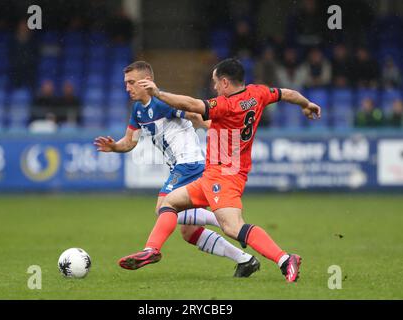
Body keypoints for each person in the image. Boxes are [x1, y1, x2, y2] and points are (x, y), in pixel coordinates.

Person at [119, 58, 321, 283]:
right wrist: (306, 103)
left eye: (215, 82)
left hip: (224, 177)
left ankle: (285, 259)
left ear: (225, 82)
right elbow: (286, 93)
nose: (214, 87)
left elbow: (191, 104)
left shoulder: (225, 105)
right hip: (214, 174)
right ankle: (152, 250)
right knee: (169, 203)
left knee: (233, 227)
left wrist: (158, 93)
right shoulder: (258, 92)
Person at [94, 61, 259, 277]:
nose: (128, 87)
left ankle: (155, 248)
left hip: (189, 164)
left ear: (147, 82)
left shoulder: (163, 103)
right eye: (126, 83)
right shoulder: (138, 111)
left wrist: (217, 127)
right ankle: (245, 260)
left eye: (132, 82)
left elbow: (193, 115)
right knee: (189, 232)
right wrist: (114, 147)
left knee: (163, 207)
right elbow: (130, 142)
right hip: (183, 166)